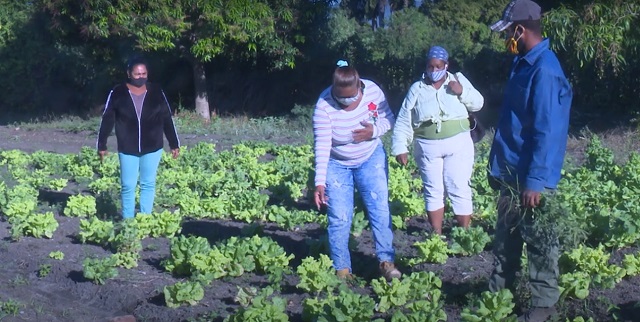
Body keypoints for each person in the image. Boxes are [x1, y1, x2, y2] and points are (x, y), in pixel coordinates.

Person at [487, 1, 573, 321]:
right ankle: (498, 298)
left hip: (531, 175)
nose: (505, 37)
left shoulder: (545, 69)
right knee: (505, 241)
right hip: (512, 169)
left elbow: (545, 129)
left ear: (520, 30)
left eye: (508, 31)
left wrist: (535, 180)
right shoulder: (523, 62)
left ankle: (544, 307)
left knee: (539, 243)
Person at [313, 60, 401, 280]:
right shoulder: (323, 106)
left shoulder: (372, 91)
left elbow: (389, 119)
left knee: (379, 209)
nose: (347, 101)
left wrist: (373, 132)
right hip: (337, 163)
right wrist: (319, 183)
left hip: (370, 157)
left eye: (351, 97)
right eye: (341, 98)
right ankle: (342, 269)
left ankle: (386, 262)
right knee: (340, 217)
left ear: (359, 86)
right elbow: (322, 146)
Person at [391, 46, 484, 235]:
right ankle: (436, 234)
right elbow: (404, 118)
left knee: (457, 185)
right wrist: (401, 146)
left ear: (446, 65)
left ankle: (463, 234)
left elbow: (478, 103)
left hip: (458, 143)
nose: (434, 71)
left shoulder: (457, 80)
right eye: (430, 67)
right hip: (427, 147)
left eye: (438, 66)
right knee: (433, 189)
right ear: (426, 66)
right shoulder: (417, 88)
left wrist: (461, 91)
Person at [97, 57, 180, 219]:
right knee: (128, 185)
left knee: (148, 183)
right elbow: (107, 119)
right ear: (129, 74)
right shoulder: (118, 92)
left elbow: (166, 118)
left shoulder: (156, 91)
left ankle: (145, 219)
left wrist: (174, 143)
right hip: (127, 147)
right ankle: (128, 220)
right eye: (137, 74)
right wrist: (102, 144)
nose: (141, 77)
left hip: (153, 146)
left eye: (144, 73)